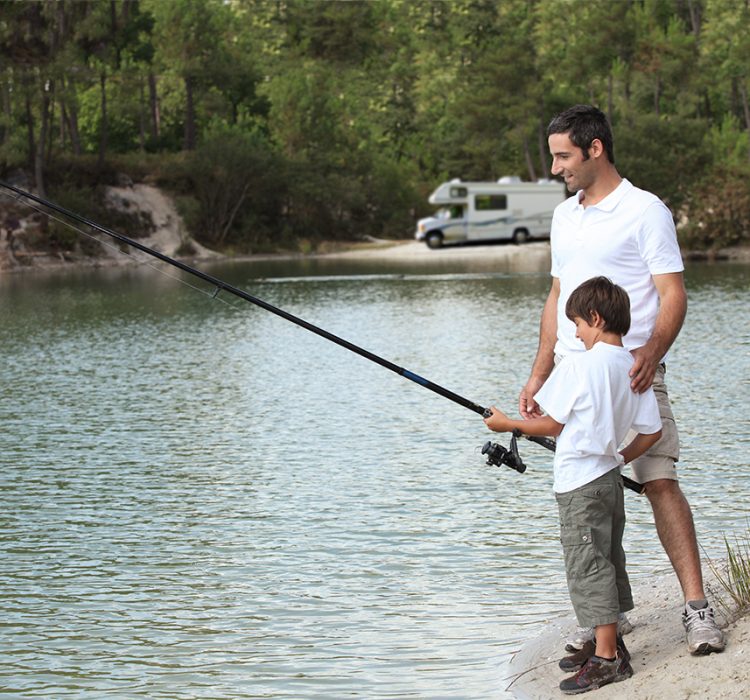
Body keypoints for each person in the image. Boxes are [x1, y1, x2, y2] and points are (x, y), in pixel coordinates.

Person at [519, 104, 725, 656]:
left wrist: (652, 355)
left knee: (658, 480)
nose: (556, 167)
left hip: (633, 374)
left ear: (594, 149)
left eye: (563, 155)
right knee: (589, 491)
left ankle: (698, 609)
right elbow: (558, 298)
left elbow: (673, 293)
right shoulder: (565, 217)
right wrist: (540, 374)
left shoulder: (644, 210)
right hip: (572, 375)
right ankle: (609, 617)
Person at [485, 276, 662, 694]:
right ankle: (610, 639)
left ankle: (607, 660)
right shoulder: (633, 366)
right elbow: (650, 432)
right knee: (608, 557)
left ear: (596, 319)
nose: (577, 334)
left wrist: (507, 423)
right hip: (608, 482)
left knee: (589, 565)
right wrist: (620, 458)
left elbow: (551, 423)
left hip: (580, 484)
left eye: (578, 325)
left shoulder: (580, 364)